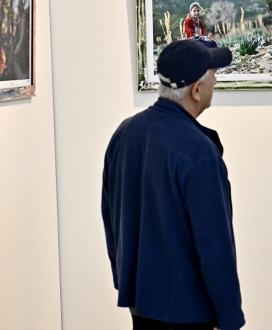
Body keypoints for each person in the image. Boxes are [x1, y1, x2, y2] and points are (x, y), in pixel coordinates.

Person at [102, 40, 245, 330]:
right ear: (196, 90)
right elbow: (214, 244)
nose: (216, 82)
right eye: (213, 74)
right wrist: (229, 317)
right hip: (190, 310)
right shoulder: (198, 151)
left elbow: (111, 216)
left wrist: (125, 279)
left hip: (141, 302)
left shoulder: (126, 132)